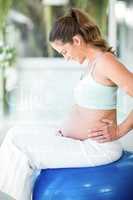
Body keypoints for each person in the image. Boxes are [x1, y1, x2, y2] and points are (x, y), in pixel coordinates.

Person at [0, 8, 133, 200]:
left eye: (64, 51)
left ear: (77, 40)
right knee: (13, 134)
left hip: (97, 148)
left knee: (19, 146)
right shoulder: (92, 63)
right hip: (79, 141)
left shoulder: (105, 62)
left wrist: (120, 130)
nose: (66, 57)